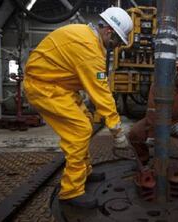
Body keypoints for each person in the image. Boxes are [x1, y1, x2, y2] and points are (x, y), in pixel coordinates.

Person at [23, 7, 133, 208]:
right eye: (117, 41)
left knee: (86, 121)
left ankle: (83, 172)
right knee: (79, 130)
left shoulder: (87, 38)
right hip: (45, 87)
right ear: (109, 31)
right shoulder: (88, 48)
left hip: (58, 85)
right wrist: (117, 132)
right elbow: (101, 94)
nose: (115, 47)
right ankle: (71, 191)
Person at [128, 57, 178, 179]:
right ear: (176, 70)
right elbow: (152, 110)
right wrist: (151, 134)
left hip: (175, 121)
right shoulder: (158, 83)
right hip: (156, 120)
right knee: (135, 133)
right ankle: (143, 160)